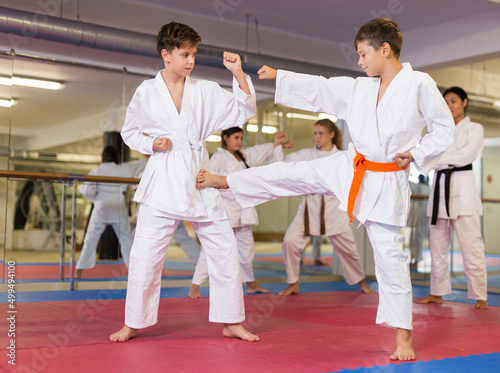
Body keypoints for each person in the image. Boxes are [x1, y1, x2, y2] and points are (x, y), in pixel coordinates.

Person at [196, 18, 455, 360]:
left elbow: (443, 128)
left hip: (388, 178)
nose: (360, 61)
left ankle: (403, 337)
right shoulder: (360, 89)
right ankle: (225, 180)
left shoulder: (419, 83)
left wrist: (417, 153)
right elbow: (323, 88)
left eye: (363, 54)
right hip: (351, 164)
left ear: (385, 49)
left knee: (391, 259)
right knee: (291, 173)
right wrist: (280, 77)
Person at [109, 21, 259, 343]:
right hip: (163, 178)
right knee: (145, 254)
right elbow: (130, 131)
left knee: (223, 249)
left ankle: (231, 320)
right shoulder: (147, 92)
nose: (191, 60)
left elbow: (243, 110)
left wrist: (237, 73)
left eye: (194, 54)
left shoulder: (204, 90)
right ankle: (133, 322)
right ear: (166, 54)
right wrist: (152, 145)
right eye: (185, 54)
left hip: (199, 177)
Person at [189, 127, 291, 298]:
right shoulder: (219, 158)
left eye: (241, 138)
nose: (239, 141)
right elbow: (210, 180)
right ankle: (195, 286)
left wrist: (275, 143)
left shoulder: (242, 156)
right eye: (236, 138)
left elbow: (258, 151)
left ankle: (251, 283)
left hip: (243, 210)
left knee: (247, 249)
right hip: (225, 209)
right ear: (226, 138)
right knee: (212, 248)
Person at [277, 119, 375, 295]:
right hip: (309, 208)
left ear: (331, 134)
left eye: (321, 133)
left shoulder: (341, 157)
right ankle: (293, 282)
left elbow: (355, 178)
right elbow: (282, 164)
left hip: (333, 209)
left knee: (349, 249)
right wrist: (278, 148)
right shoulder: (306, 154)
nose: (317, 137)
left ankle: (362, 283)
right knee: (289, 241)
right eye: (315, 133)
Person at [416, 86, 488, 309]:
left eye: (454, 101)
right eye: (446, 102)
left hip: (463, 191)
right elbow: (424, 159)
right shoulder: (438, 131)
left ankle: (480, 296)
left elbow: (466, 155)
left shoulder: (475, 129)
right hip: (439, 190)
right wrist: (440, 159)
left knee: (471, 246)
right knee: (436, 247)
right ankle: (437, 292)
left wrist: (438, 159)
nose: (450, 106)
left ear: (464, 102)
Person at [75, 146, 147, 278]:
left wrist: (96, 199)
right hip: (118, 208)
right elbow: (141, 164)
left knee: (90, 239)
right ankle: (135, 272)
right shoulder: (123, 168)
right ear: (117, 157)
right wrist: (148, 151)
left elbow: (84, 191)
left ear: (102, 158)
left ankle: (79, 270)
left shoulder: (96, 171)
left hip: (101, 208)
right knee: (126, 240)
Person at [408, 174, 430, 270]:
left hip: (422, 216)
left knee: (418, 239)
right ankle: (414, 260)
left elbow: (408, 184)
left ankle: (416, 261)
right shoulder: (429, 188)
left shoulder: (421, 187)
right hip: (423, 216)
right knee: (416, 239)